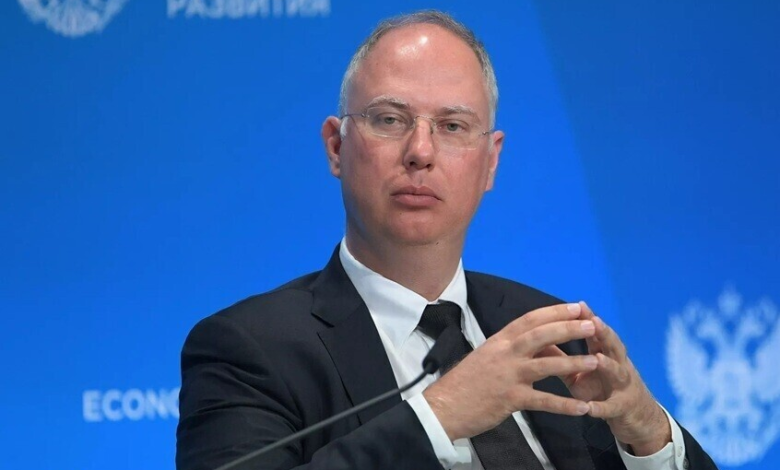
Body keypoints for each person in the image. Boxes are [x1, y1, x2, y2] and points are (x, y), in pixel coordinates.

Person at [176, 10, 717, 470]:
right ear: (336, 147)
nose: (420, 151)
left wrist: (648, 432)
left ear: (491, 162)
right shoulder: (247, 351)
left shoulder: (553, 338)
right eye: (390, 119)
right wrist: (440, 415)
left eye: (453, 126)